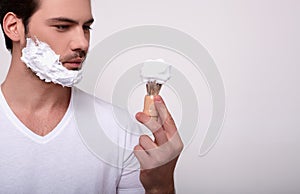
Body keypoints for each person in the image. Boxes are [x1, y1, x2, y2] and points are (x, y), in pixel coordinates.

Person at [0, 0, 184, 193]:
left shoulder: (120, 130)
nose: (83, 43)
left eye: (86, 27)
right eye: (62, 26)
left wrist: (161, 187)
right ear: (14, 27)